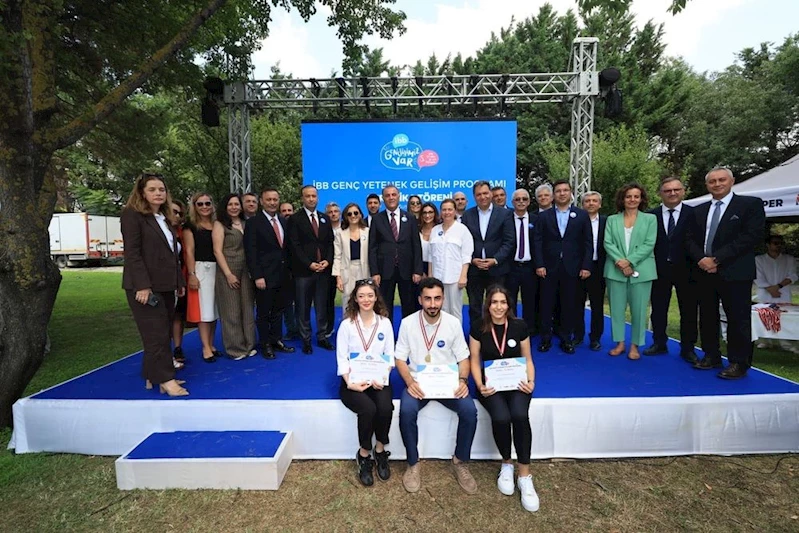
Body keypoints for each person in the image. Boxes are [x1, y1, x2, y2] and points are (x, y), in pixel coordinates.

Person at [395, 277, 478, 495]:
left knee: (469, 411)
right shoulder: (408, 323)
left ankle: (460, 461)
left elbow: (464, 358)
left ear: (443, 299)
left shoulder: (453, 323)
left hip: (447, 384)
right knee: (406, 411)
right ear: (420, 300)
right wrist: (410, 382)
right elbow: (399, 358)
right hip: (419, 384)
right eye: (428, 299)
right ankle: (413, 463)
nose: (433, 304)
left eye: (437, 298)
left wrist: (462, 380)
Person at [687, 167, 766, 379]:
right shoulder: (698, 210)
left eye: (721, 180)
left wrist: (717, 259)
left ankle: (738, 362)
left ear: (732, 181)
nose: (717, 184)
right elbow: (689, 239)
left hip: (735, 272)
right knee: (707, 317)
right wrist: (702, 259)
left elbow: (751, 236)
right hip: (704, 271)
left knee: (737, 319)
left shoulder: (749, 205)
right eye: (712, 181)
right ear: (707, 185)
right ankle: (711, 355)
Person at [468, 286, 538, 512]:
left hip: (517, 383)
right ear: (488, 305)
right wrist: (480, 385)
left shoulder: (519, 326)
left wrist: (531, 381)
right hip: (491, 385)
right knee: (500, 417)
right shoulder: (478, 327)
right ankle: (507, 463)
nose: (498, 307)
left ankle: (524, 475)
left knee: (519, 415)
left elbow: (528, 358)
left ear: (509, 305)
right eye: (494, 302)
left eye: (503, 302)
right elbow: (474, 359)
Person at [121, 173, 187, 396]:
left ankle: (153, 376)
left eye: (161, 189)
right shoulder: (132, 215)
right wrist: (142, 286)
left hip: (166, 284)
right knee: (155, 334)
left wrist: (178, 282)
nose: (158, 193)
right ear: (142, 192)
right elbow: (132, 253)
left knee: (163, 332)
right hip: (145, 287)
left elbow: (172, 254)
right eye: (152, 189)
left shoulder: (164, 218)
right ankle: (166, 379)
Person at [335, 279, 395, 486]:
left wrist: (382, 378)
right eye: (361, 296)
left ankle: (380, 450)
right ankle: (364, 454)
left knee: (385, 407)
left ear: (376, 297)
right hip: (353, 382)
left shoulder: (385, 323)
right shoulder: (347, 325)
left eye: (370, 295)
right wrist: (350, 382)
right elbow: (342, 358)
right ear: (355, 299)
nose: (366, 300)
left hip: (378, 380)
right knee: (368, 409)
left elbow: (390, 355)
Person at [533, 180, 592, 354]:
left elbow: (588, 243)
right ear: (554, 195)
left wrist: (586, 266)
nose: (562, 193)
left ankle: (566, 339)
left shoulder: (581, 215)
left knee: (568, 304)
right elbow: (537, 242)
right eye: (558, 191)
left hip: (572, 268)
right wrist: (539, 264)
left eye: (565, 190)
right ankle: (545, 339)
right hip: (548, 268)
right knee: (546, 304)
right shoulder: (544, 216)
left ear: (571, 193)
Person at [644, 177, 698, 362]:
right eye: (667, 190)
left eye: (676, 190)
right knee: (658, 309)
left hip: (687, 269)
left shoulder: (694, 213)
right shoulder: (650, 216)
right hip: (659, 269)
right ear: (660, 193)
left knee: (688, 310)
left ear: (683, 191)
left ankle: (688, 348)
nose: (672, 193)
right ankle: (659, 343)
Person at [603, 184, 657, 360]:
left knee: (639, 310)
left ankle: (635, 345)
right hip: (615, 270)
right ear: (622, 199)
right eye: (628, 196)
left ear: (641, 199)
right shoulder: (612, 220)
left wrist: (630, 261)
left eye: (636, 196)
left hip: (642, 270)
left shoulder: (650, 219)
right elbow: (608, 243)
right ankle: (620, 343)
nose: (632, 199)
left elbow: (649, 244)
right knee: (616, 310)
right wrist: (621, 262)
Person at [245, 189, 296, 359]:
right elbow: (251, 251)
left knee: (278, 310)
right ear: (262, 201)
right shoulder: (253, 223)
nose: (272, 202)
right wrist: (257, 275)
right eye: (269, 199)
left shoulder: (283, 221)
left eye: (275, 199)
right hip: (264, 276)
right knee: (264, 312)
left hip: (283, 275)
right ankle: (265, 344)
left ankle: (276, 340)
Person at [287, 185, 335, 354]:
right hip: (303, 272)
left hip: (323, 271)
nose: (311, 199)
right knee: (303, 307)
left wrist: (328, 260)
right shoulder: (295, 219)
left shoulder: (325, 218)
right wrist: (309, 263)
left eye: (314, 196)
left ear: (318, 198)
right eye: (307, 196)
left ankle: (322, 337)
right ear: (302, 198)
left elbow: (330, 243)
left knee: (322, 306)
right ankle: (306, 340)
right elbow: (294, 245)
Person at [462, 180, 516, 324]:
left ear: (491, 194)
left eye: (485, 193)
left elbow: (509, 241)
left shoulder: (505, 214)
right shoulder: (467, 215)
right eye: (479, 194)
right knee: (474, 306)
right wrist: (472, 259)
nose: (483, 197)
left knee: (496, 306)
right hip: (475, 269)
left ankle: (495, 334)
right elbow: (464, 242)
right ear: (474, 197)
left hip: (497, 269)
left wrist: (495, 259)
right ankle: (476, 333)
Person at [368, 184, 424, 322]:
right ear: (383, 199)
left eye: (394, 194)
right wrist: (375, 272)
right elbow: (372, 248)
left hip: (407, 270)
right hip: (385, 270)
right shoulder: (377, 219)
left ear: (399, 196)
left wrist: (417, 270)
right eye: (387, 195)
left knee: (409, 304)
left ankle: (409, 333)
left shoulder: (410, 218)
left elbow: (416, 246)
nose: (391, 198)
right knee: (384, 305)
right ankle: (386, 332)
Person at [212, 193, 256, 360]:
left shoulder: (246, 223)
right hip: (228, 270)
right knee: (231, 311)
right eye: (230, 204)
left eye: (237, 204)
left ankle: (249, 345)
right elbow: (217, 251)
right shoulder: (220, 224)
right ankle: (235, 349)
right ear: (225, 207)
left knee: (247, 308)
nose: (234, 207)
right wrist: (228, 274)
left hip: (246, 270)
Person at [184, 192, 222, 362]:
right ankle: (205, 347)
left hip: (217, 269)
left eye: (207, 203)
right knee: (204, 311)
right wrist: (192, 274)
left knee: (214, 310)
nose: (204, 207)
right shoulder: (190, 226)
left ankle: (211, 344)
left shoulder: (217, 224)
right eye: (200, 204)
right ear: (194, 206)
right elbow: (189, 251)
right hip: (201, 269)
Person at [429, 199, 473, 322]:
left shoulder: (462, 230)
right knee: (440, 308)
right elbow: (431, 256)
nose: (447, 212)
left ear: (454, 211)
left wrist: (463, 276)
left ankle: (456, 334)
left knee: (455, 310)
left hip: (455, 277)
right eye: (444, 210)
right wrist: (430, 276)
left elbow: (466, 255)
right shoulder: (435, 230)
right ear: (440, 212)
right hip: (438, 277)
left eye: (449, 209)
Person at [575, 191, 606, 351]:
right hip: (578, 268)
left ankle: (595, 338)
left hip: (599, 268)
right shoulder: (576, 220)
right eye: (587, 201)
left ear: (600, 204)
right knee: (577, 304)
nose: (591, 203)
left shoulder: (607, 222)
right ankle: (578, 335)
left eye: (594, 201)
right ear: (582, 204)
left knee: (597, 305)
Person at [505, 188, 539, 335]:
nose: (521, 202)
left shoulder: (536, 219)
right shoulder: (505, 219)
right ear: (512, 202)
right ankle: (512, 330)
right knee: (510, 300)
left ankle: (528, 330)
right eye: (517, 199)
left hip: (530, 267)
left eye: (524, 199)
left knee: (530, 301)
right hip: (511, 266)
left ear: (529, 201)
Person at [333, 202, 371, 310]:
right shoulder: (340, 233)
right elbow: (337, 256)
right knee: (348, 302)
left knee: (365, 300)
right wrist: (338, 278)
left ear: (360, 214)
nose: (353, 216)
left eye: (356, 213)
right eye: (349, 214)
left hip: (365, 270)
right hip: (347, 271)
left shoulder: (368, 231)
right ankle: (348, 321)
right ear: (345, 216)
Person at [170, 199, 187, 369]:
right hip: (164, 281)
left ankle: (177, 348)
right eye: (173, 211)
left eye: (179, 213)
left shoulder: (182, 233)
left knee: (178, 316)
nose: (176, 215)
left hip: (180, 279)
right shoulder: (159, 231)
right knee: (163, 318)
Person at [754, 234, 797, 303]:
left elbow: (793, 276)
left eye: (781, 243)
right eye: (776, 243)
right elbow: (758, 277)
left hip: (783, 296)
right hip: (765, 296)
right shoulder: (759, 259)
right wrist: (771, 290)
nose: (779, 245)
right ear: (768, 245)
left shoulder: (789, 259)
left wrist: (778, 286)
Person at [279, 201, 300, 340]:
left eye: (289, 210)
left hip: (299, 270)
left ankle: (301, 328)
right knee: (286, 303)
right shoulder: (278, 227)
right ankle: (291, 329)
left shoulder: (299, 225)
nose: (287, 213)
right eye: (284, 211)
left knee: (301, 302)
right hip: (283, 271)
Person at [325, 202, 342, 339]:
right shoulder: (323, 229)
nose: (333, 214)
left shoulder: (346, 227)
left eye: (335, 211)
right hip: (328, 269)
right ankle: (328, 327)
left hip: (345, 267)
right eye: (330, 212)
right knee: (328, 299)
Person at [418, 201, 439, 277]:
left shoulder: (440, 229)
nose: (427, 215)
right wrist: (419, 271)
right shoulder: (416, 230)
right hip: (419, 267)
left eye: (430, 212)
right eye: (424, 213)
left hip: (437, 266)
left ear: (435, 213)